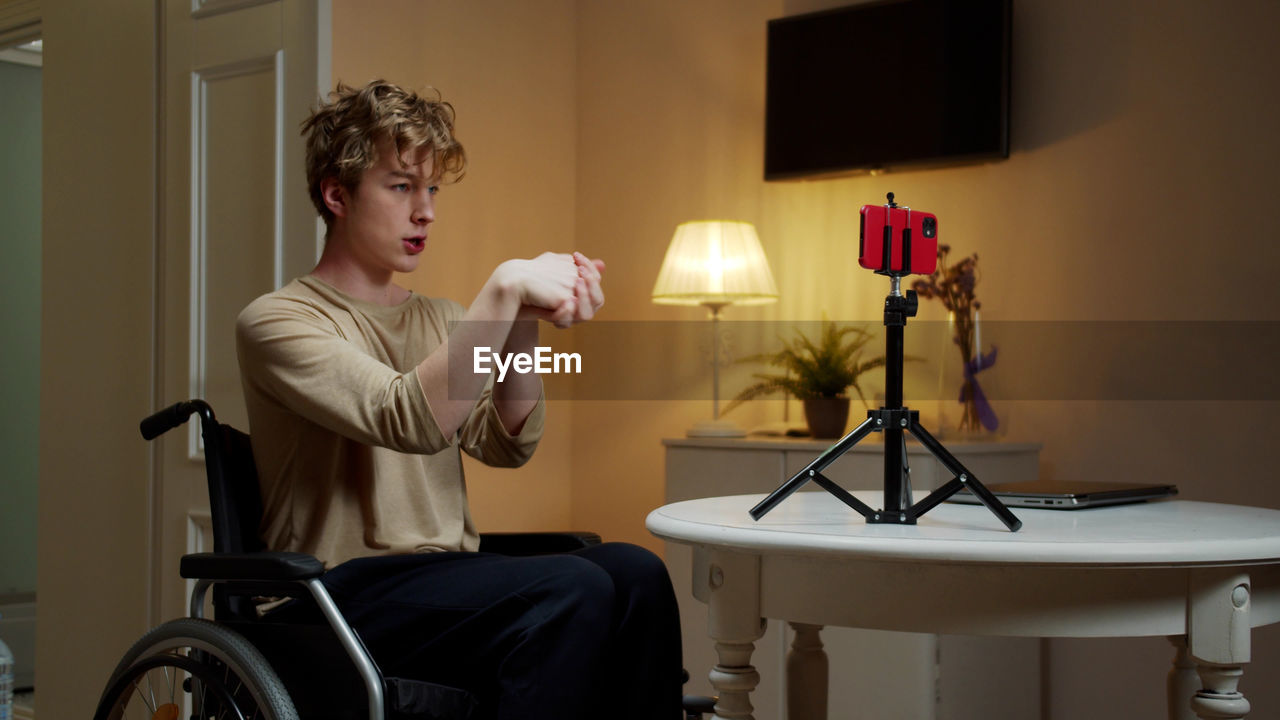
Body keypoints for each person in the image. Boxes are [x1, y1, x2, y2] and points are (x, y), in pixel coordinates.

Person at [235, 79, 681, 720]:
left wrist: (522, 315)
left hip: (442, 581)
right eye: (400, 187)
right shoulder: (278, 321)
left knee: (637, 573)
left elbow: (507, 442)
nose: (426, 212)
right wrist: (501, 289)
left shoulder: (444, 318)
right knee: (572, 587)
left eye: (432, 189)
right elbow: (407, 416)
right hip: (331, 594)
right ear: (337, 195)